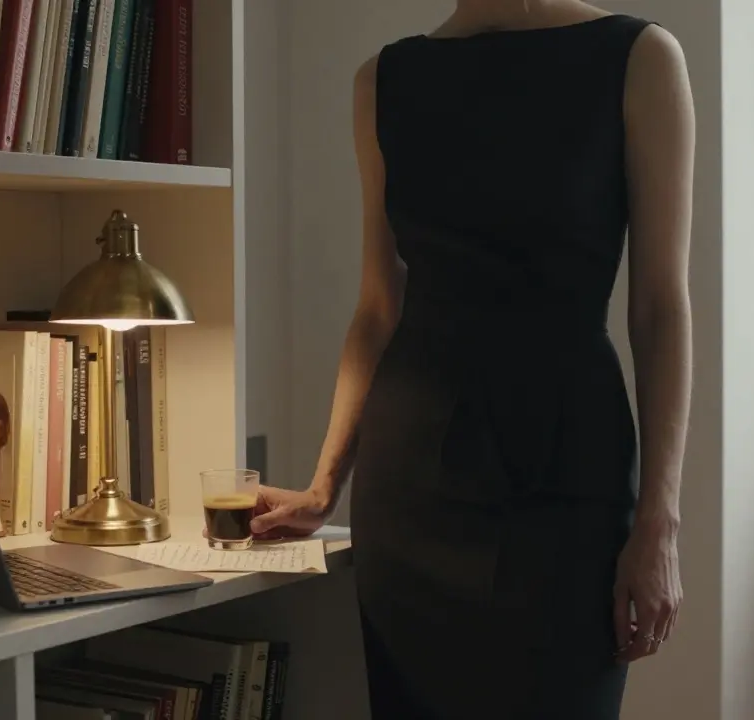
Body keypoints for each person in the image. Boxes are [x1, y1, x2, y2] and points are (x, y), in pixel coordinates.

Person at [248, 0, 694, 717]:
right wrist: (325, 483)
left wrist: (659, 520)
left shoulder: (639, 58)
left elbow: (660, 308)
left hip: (567, 482)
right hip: (411, 497)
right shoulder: (383, 81)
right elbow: (377, 309)